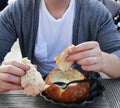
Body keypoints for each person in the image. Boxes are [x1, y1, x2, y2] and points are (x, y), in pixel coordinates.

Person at [0, 0, 120, 92]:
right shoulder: (19, 10)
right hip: (39, 93)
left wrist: (102, 60)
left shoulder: (95, 11)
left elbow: (117, 54)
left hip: (85, 93)